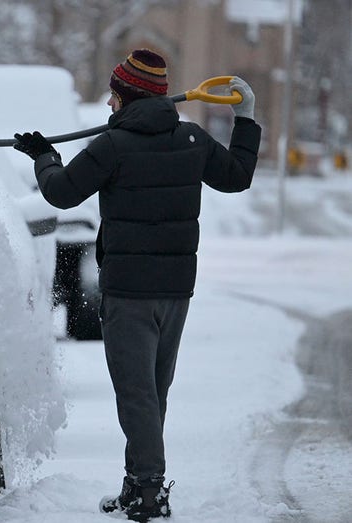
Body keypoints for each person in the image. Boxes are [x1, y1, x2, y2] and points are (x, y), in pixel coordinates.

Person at [13, 49, 260, 521]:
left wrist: (44, 156)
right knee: (152, 391)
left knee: (137, 393)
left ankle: (148, 491)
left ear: (126, 96)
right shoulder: (191, 138)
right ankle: (138, 484)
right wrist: (245, 119)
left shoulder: (113, 145)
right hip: (176, 290)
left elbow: (62, 192)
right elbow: (238, 177)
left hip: (128, 293)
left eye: (113, 93)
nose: (108, 103)